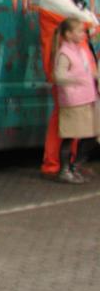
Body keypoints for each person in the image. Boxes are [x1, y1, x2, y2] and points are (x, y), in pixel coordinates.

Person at [39, 0, 99, 177]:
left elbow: (88, 18)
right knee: (64, 117)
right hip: (68, 70)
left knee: (77, 119)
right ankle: (54, 164)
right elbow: (84, 18)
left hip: (79, 70)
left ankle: (71, 163)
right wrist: (91, 24)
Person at [50, 17, 99, 183]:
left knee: (91, 135)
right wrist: (77, 79)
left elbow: (88, 71)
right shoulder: (64, 53)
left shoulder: (81, 51)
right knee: (70, 136)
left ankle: (75, 166)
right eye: (79, 31)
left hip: (87, 98)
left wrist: (94, 76)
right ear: (69, 34)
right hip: (73, 101)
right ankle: (65, 170)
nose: (83, 34)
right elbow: (59, 76)